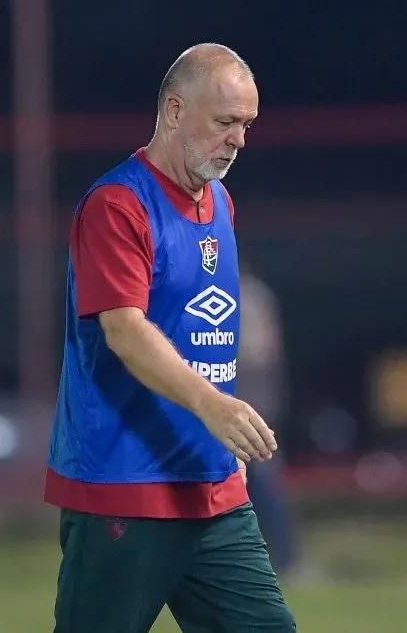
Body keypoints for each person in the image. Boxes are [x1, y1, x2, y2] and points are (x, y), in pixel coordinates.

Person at [45, 44, 296, 632]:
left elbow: (202, 329)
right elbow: (124, 330)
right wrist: (213, 406)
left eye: (247, 124)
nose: (238, 140)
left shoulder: (220, 203)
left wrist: (222, 440)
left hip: (214, 492)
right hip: (125, 486)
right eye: (225, 121)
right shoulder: (118, 205)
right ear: (175, 111)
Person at [237, 268, 300, 576]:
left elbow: (259, 355)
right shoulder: (248, 293)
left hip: (251, 406)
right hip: (239, 406)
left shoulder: (248, 296)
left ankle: (287, 560)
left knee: (263, 480)